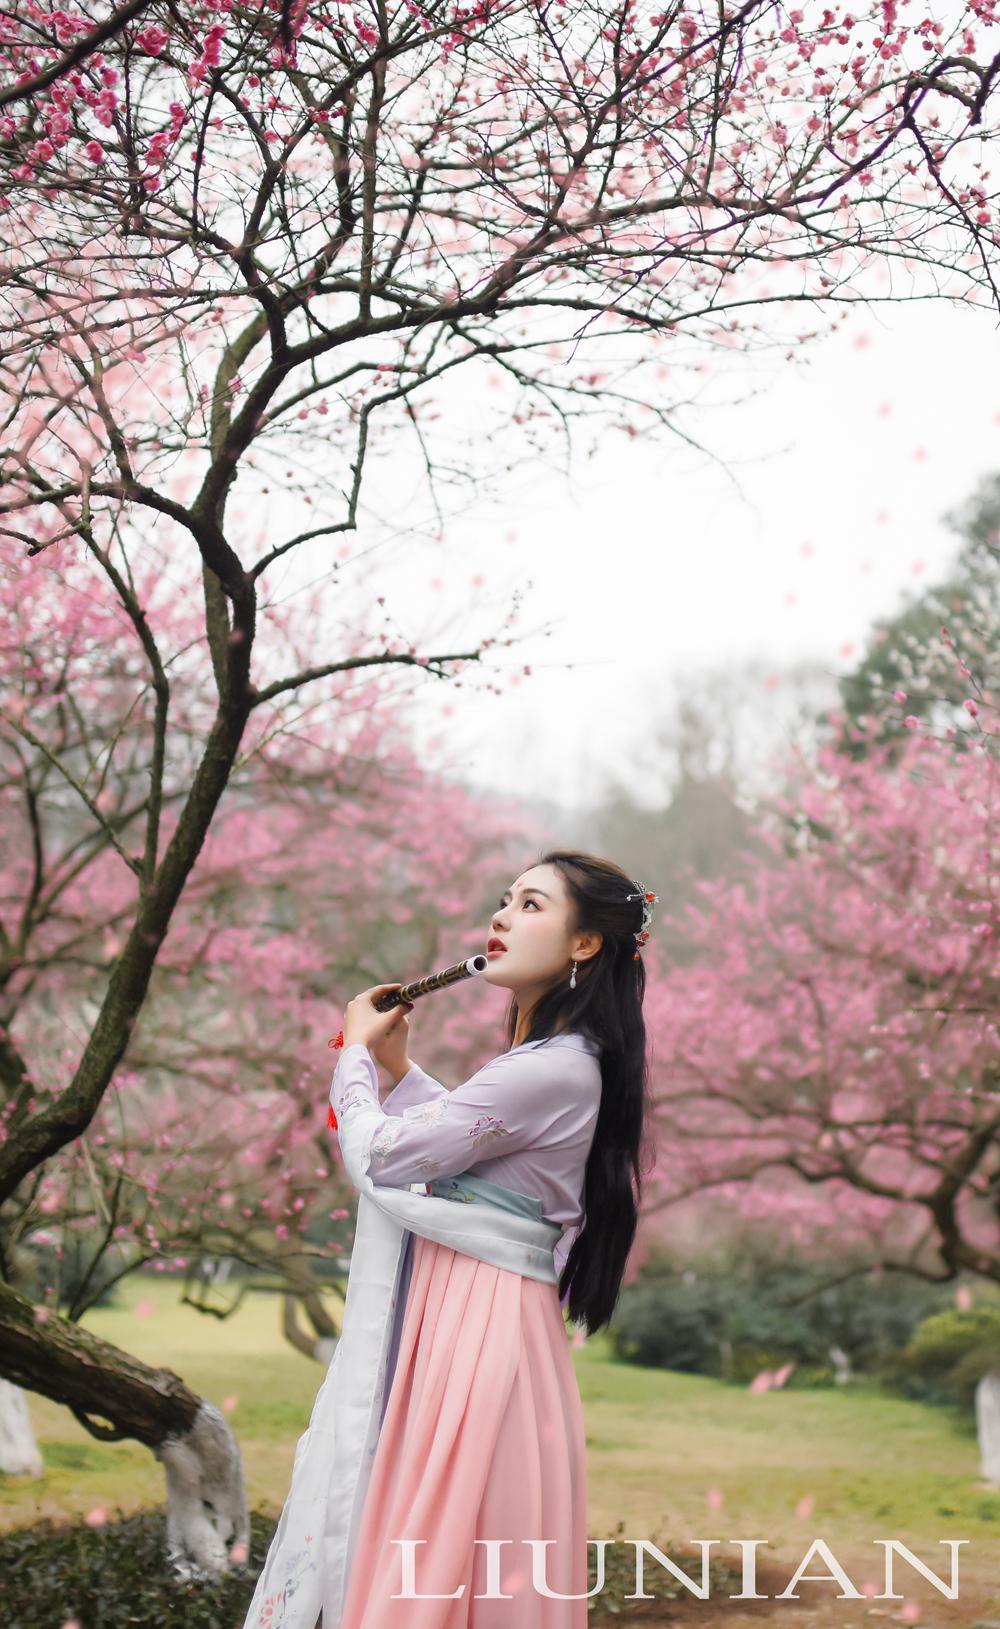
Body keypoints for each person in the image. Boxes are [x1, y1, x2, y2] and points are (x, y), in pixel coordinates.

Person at [242, 848, 654, 1629]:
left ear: (584, 942)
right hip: (477, 1314)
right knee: (443, 1545)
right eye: (505, 899)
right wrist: (399, 1068)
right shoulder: (552, 1062)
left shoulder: (553, 1067)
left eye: (531, 904)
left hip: (478, 1324)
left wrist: (355, 1056)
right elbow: (469, 1140)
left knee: (442, 1546)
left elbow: (386, 1156)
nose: (501, 915)